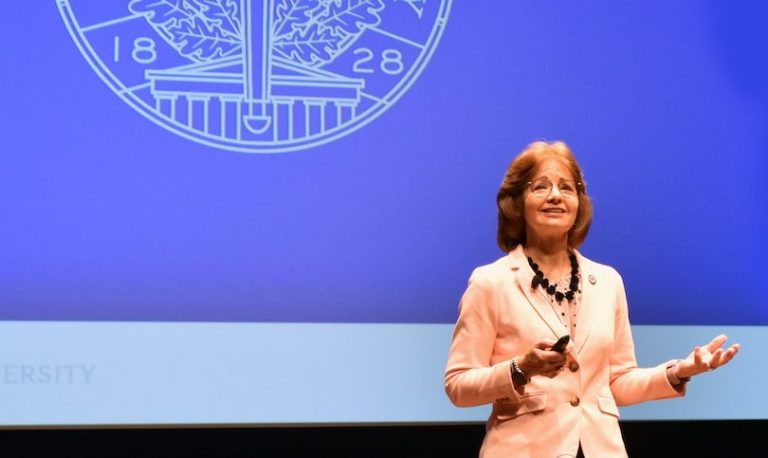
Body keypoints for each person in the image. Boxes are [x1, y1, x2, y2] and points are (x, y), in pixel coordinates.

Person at [443, 140, 740, 458]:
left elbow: (618, 381)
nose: (555, 196)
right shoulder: (491, 282)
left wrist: (678, 371)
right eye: (541, 186)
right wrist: (521, 369)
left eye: (566, 188)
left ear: (579, 203)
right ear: (516, 203)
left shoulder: (608, 281)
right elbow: (458, 386)